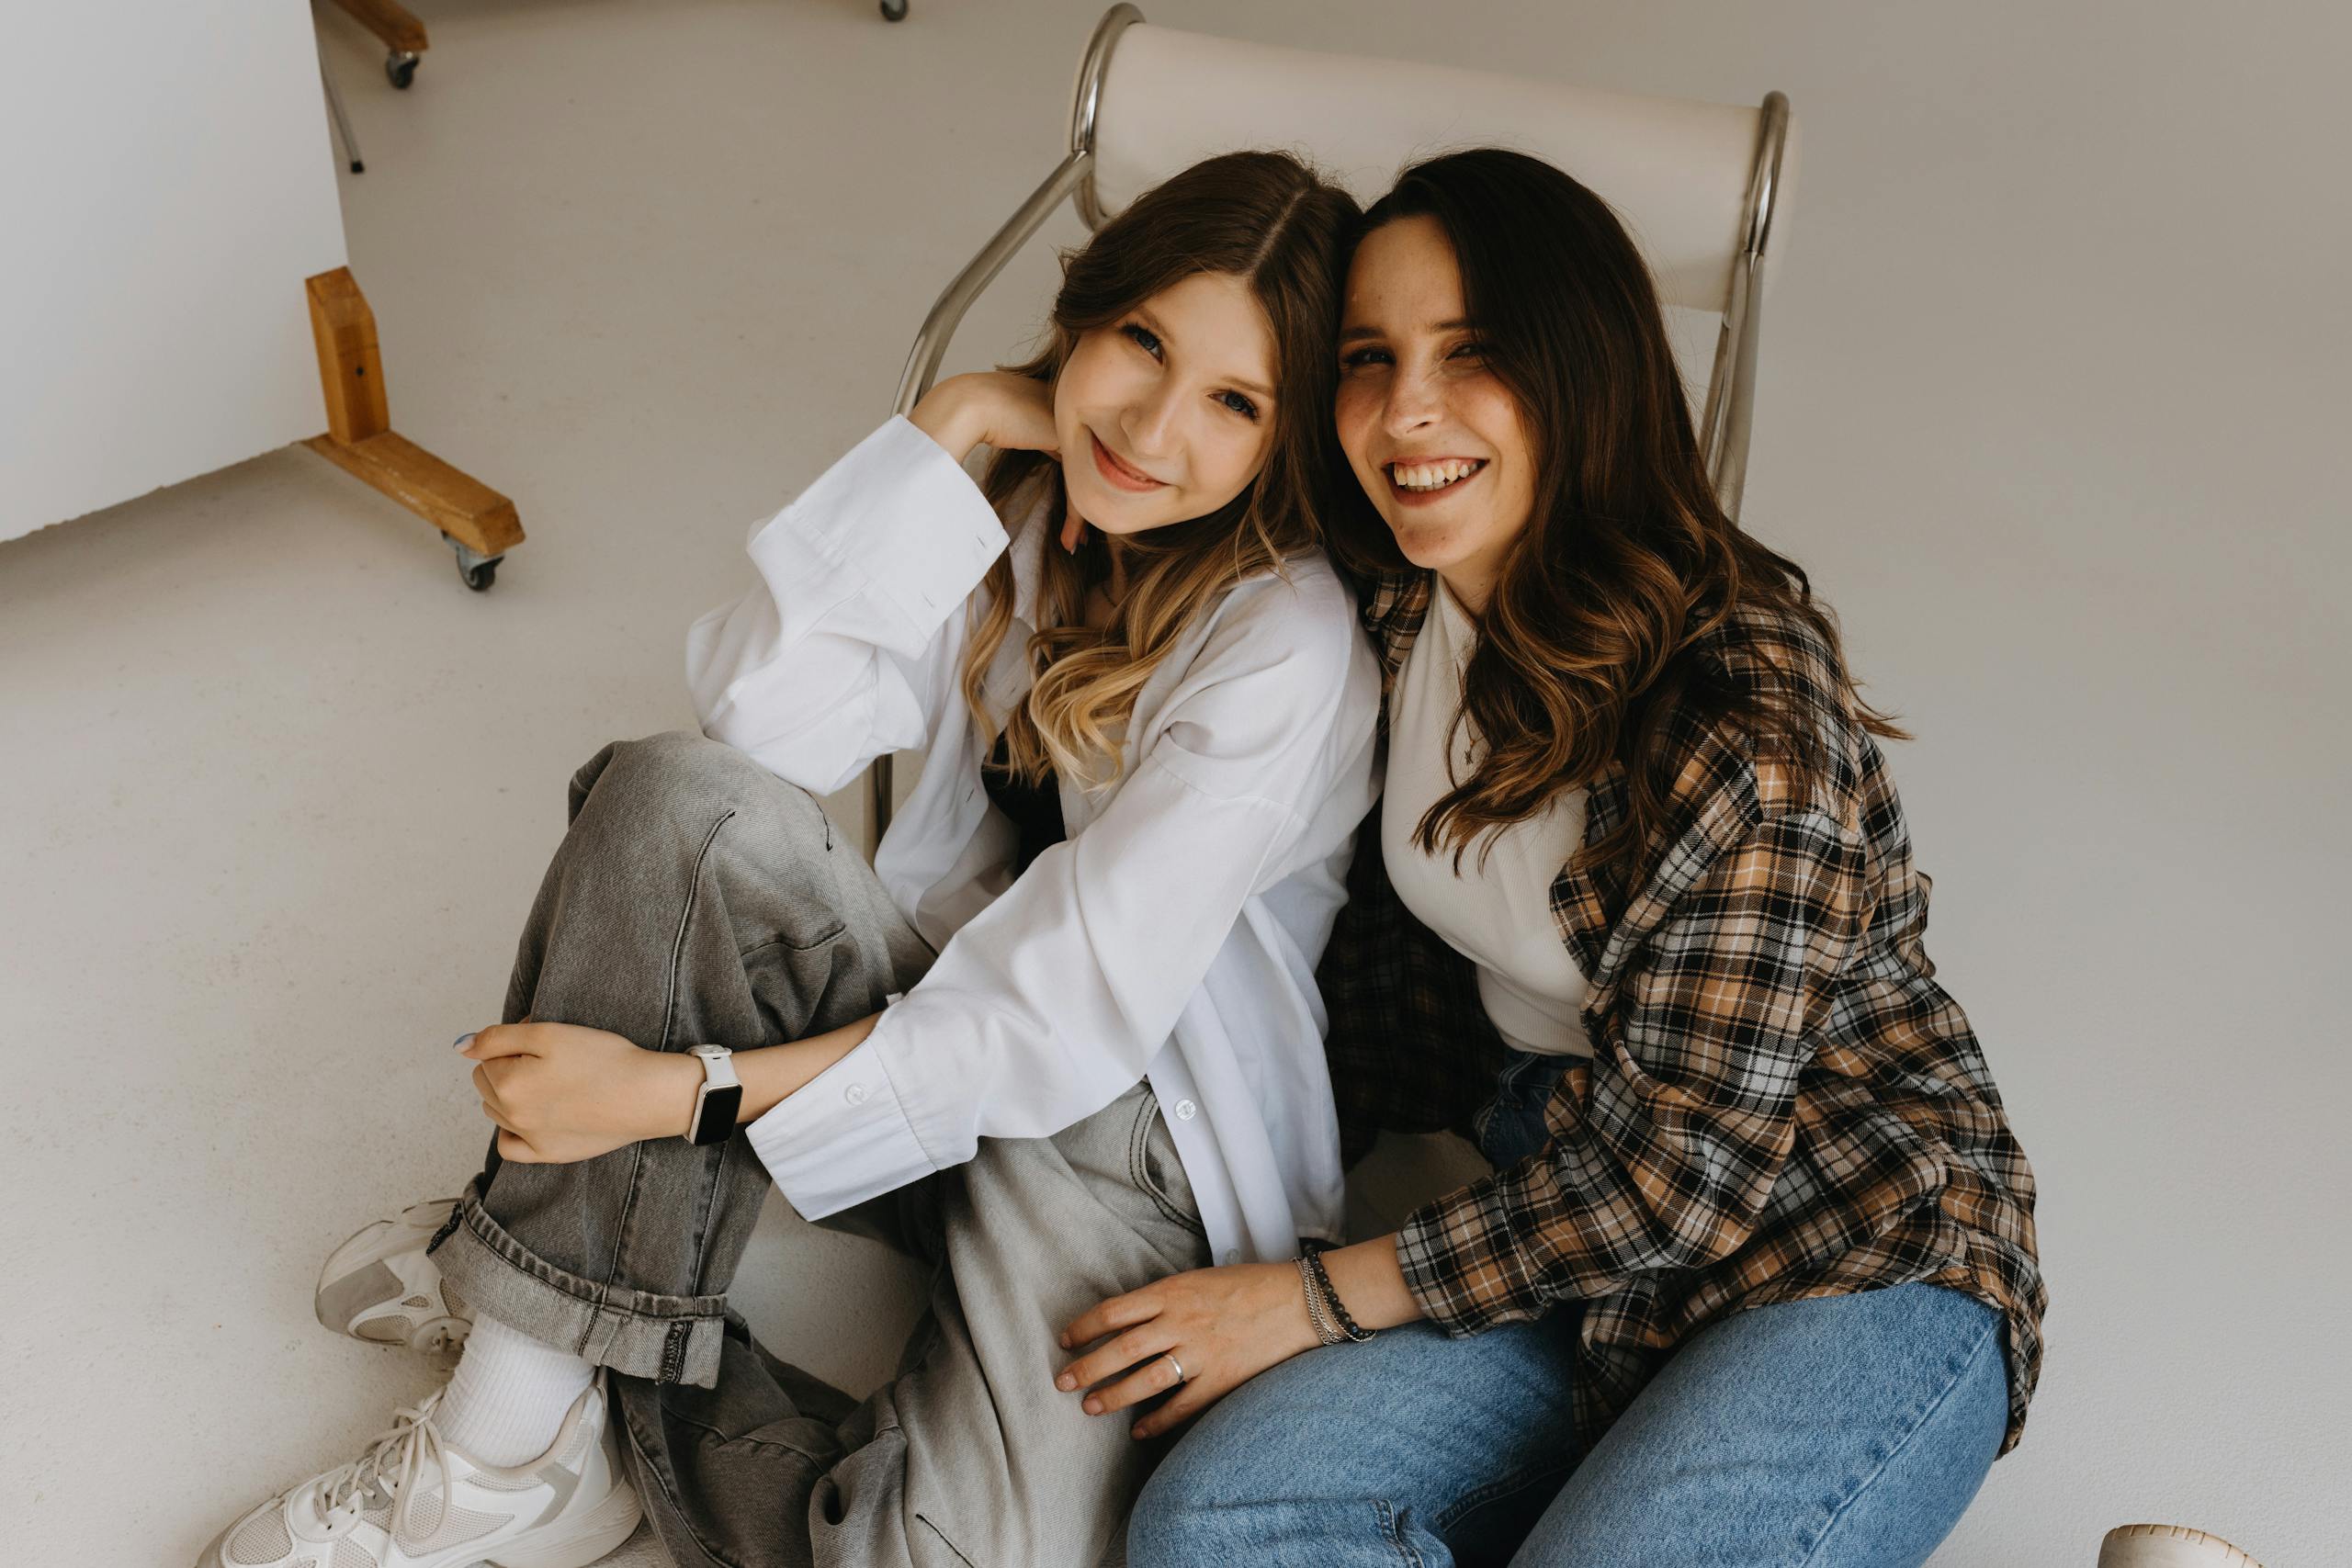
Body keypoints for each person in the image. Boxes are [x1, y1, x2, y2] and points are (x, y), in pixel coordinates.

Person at [195, 149, 1381, 1568]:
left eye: (1234, 401)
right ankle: (512, 1429)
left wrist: (674, 1095)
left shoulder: (1287, 646)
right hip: (927, 1009)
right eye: (1142, 343)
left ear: (1282, 440)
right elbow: (760, 724)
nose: (1154, 423)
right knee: (679, 809)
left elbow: (1058, 1020)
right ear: (1087, 312)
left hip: (1132, 1139)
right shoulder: (1016, 500)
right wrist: (948, 430)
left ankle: (557, 1283)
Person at [1057, 149, 2048, 1568]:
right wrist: (995, 421)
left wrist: (1303, 1301)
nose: (1405, 412)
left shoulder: (1742, 713)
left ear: (1585, 373)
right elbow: (1166, 454)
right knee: (1219, 1528)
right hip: (1562, 1243)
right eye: (1367, 357)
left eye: (1473, 355)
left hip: (1846, 1250)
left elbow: (1680, 1178)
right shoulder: (1394, 606)